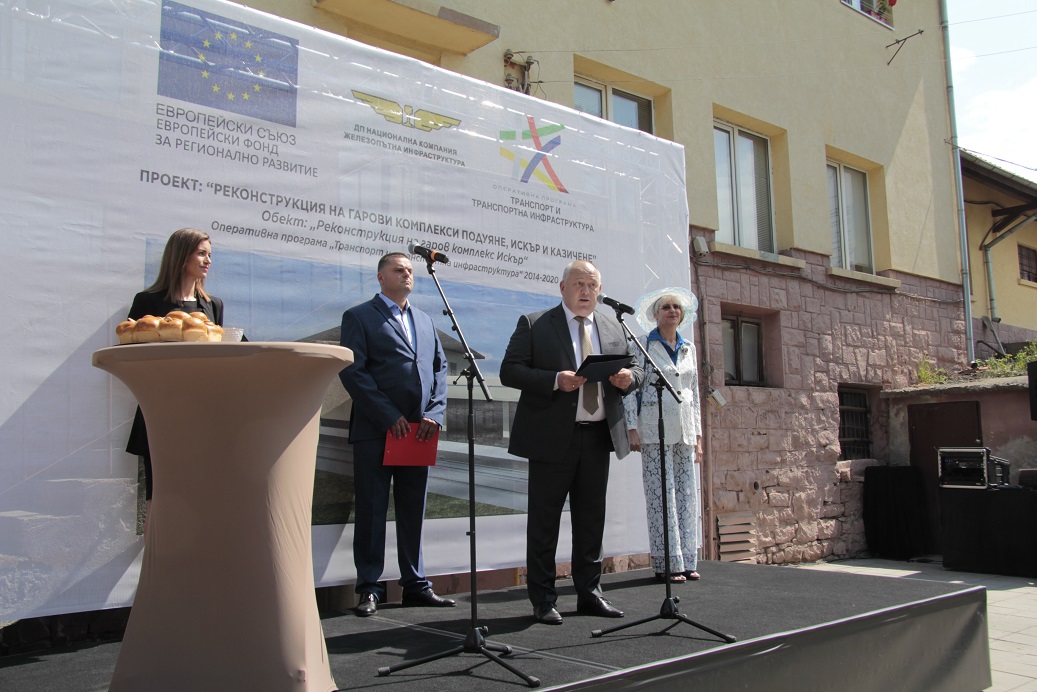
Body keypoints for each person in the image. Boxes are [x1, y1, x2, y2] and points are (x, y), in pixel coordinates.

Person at [500, 260, 644, 625]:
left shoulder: (613, 325)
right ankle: (543, 598)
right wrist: (554, 380)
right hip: (551, 439)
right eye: (578, 283)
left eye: (592, 285)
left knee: (591, 520)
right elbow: (510, 370)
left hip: (597, 437)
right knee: (544, 522)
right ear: (562, 288)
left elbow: (638, 368)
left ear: (599, 290)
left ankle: (590, 594)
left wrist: (630, 378)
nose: (585, 291)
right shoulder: (535, 324)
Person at [338, 252, 455, 616]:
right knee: (372, 510)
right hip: (377, 430)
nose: (406, 274)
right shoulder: (359, 316)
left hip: (418, 431)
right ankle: (370, 588)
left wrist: (434, 413)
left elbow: (440, 368)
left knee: (412, 509)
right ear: (381, 277)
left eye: (409, 270)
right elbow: (353, 371)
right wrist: (388, 415)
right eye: (398, 269)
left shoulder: (424, 319)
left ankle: (415, 584)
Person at [125, 228, 223, 518]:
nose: (208, 261)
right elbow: (133, 356)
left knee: (199, 496)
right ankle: (158, 548)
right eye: (202, 253)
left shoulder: (213, 305)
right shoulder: (147, 302)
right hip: (161, 408)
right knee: (158, 497)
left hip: (202, 411)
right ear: (181, 257)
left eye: (210, 255)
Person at [624, 287, 703, 583]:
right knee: (661, 496)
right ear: (655, 314)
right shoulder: (643, 344)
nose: (672, 311)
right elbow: (630, 389)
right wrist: (631, 427)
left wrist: (698, 435)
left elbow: (694, 392)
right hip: (653, 428)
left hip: (684, 429)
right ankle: (667, 562)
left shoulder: (688, 347)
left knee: (686, 495)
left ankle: (688, 559)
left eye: (676, 307)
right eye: (666, 307)